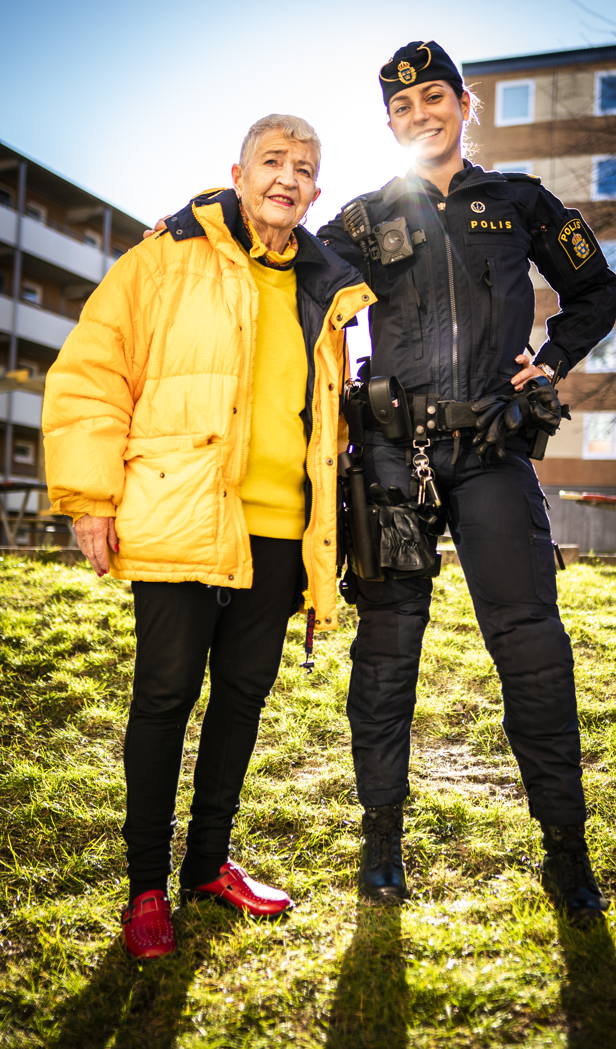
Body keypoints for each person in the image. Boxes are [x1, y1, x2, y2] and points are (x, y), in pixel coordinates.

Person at [42, 114, 374, 959]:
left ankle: (206, 864)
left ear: (316, 191)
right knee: (163, 696)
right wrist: (89, 493)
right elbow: (91, 369)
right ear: (238, 170)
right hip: (183, 513)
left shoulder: (325, 288)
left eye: (305, 168)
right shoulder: (164, 258)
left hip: (278, 533)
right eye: (273, 161)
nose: (287, 178)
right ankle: (145, 884)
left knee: (241, 698)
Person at [316, 41, 616, 919]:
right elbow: (283, 261)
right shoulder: (366, 215)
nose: (420, 115)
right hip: (390, 459)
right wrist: (208, 211)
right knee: (386, 650)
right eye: (402, 108)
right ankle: (382, 838)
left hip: (492, 446)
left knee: (530, 641)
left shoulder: (521, 202)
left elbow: (597, 291)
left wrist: (551, 360)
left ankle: (566, 847)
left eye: (434, 98)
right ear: (390, 124)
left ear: (465, 103)